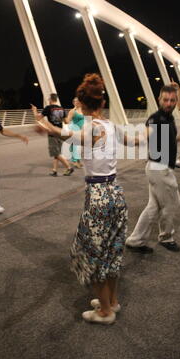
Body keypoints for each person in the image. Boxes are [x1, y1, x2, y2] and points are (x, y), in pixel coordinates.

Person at [35, 74, 128, 325]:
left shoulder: (90, 127)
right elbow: (132, 139)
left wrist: (44, 125)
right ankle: (112, 301)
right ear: (102, 103)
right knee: (112, 250)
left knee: (90, 253)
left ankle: (105, 312)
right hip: (116, 192)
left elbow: (69, 136)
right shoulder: (109, 125)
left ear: (82, 105)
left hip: (98, 196)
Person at [125, 84, 180, 254]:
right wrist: (128, 139)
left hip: (159, 167)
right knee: (172, 203)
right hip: (159, 169)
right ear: (159, 100)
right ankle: (166, 237)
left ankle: (135, 240)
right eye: (166, 100)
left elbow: (169, 139)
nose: (169, 103)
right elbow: (145, 135)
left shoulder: (169, 118)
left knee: (154, 206)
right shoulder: (156, 119)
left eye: (172, 100)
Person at [31, 93, 73, 176]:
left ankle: (69, 167)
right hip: (60, 132)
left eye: (48, 99)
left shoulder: (48, 108)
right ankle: (54, 170)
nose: (48, 101)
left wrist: (34, 110)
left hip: (52, 133)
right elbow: (66, 122)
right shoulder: (61, 108)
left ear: (50, 99)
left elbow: (38, 118)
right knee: (57, 152)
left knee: (55, 153)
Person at [66, 97, 84, 168]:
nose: (78, 102)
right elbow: (67, 121)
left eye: (79, 101)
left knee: (79, 147)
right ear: (73, 103)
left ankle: (78, 161)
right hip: (75, 130)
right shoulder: (72, 111)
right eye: (76, 101)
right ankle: (75, 162)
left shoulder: (83, 110)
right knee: (75, 146)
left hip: (82, 130)